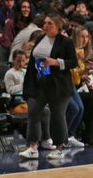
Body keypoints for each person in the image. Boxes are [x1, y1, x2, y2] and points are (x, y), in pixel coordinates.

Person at [18, 14, 77, 161]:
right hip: (40, 83)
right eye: (45, 23)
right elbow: (33, 61)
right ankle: (32, 147)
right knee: (33, 112)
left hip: (59, 85)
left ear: (58, 26)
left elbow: (73, 62)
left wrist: (56, 62)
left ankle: (59, 148)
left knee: (57, 115)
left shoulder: (66, 42)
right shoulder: (39, 39)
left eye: (50, 23)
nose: (46, 26)